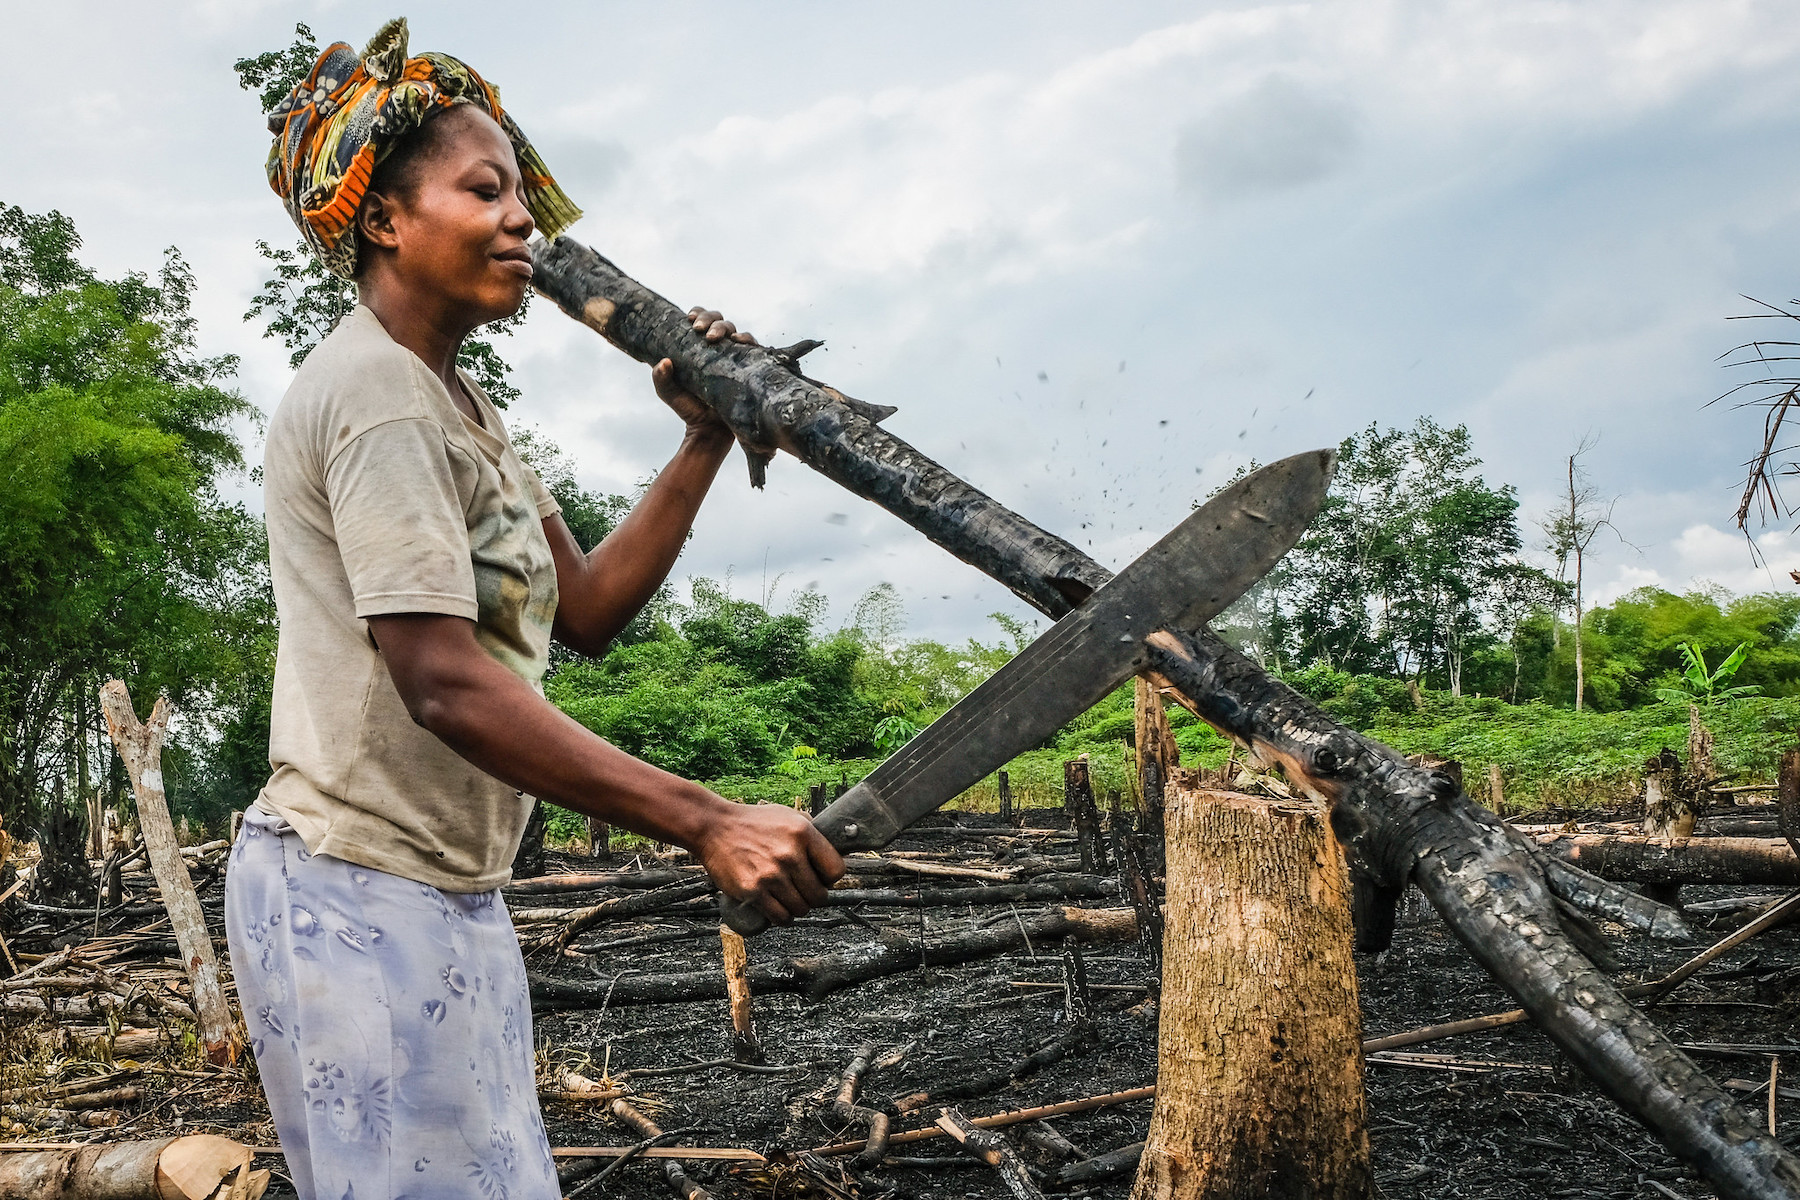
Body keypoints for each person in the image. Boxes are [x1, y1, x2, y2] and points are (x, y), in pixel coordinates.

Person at [225, 19, 844, 1200]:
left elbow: (591, 608)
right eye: (483, 189)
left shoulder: (457, 404)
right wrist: (709, 819)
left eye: (519, 191)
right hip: (357, 885)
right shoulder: (380, 399)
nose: (522, 219)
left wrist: (704, 437)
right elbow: (442, 682)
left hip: (436, 884)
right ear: (385, 222)